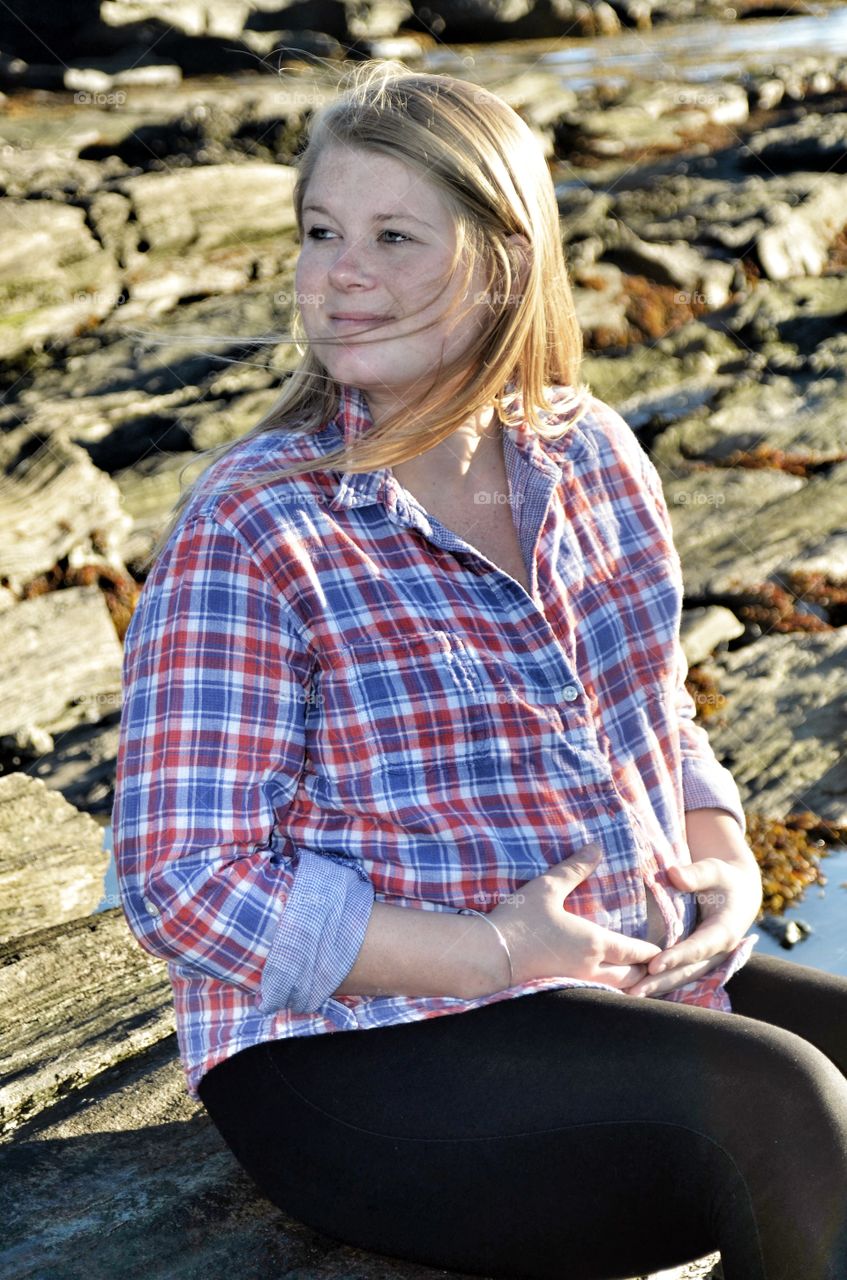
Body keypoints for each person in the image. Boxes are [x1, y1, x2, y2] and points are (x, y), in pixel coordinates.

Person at [112, 61, 847, 1280]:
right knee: (782, 1102)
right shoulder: (254, 521)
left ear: (505, 262)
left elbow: (651, 704)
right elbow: (180, 879)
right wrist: (497, 953)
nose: (338, 274)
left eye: (393, 236)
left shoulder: (593, 453)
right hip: (351, 1054)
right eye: (319, 231)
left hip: (613, 971)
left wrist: (716, 857)